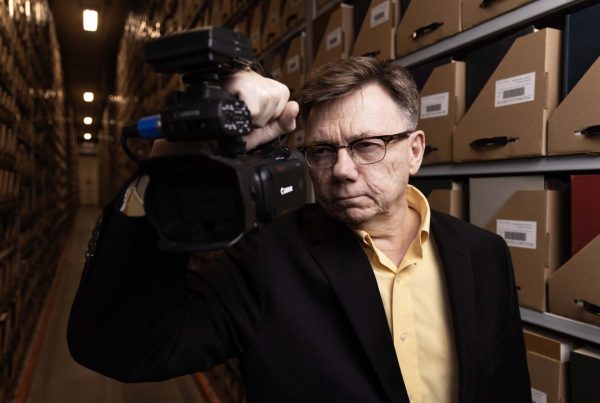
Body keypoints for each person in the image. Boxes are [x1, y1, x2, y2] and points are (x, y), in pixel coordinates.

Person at [68, 57, 531, 403]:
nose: (342, 170)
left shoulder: (482, 254)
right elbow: (119, 343)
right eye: (323, 151)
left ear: (414, 151)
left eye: (367, 145)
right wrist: (164, 172)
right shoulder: (266, 262)